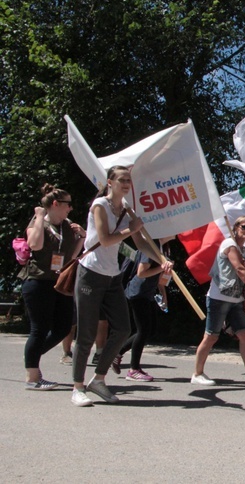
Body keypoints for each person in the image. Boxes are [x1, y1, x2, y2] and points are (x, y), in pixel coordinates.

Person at [71, 166, 157, 407]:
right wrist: (132, 228)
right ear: (110, 182)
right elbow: (106, 239)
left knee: (122, 329)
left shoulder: (127, 209)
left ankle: (98, 379)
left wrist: (162, 260)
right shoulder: (100, 205)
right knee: (86, 334)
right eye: (122, 180)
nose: (127, 183)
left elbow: (140, 244)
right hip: (90, 273)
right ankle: (78, 387)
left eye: (129, 180)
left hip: (112, 276)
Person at [192, 216, 245, 388]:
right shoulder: (229, 244)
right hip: (218, 298)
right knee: (211, 336)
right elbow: (240, 270)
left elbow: (243, 273)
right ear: (236, 227)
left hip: (236, 299)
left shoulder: (243, 250)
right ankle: (197, 374)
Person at [20, 184, 86, 390]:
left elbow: (72, 257)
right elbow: (35, 245)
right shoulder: (39, 222)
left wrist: (81, 237)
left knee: (63, 328)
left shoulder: (66, 226)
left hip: (59, 282)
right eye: (68, 204)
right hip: (38, 281)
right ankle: (32, 377)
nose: (70, 208)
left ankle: (33, 356)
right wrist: (39, 216)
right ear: (55, 204)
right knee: (39, 329)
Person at [111, 239, 174, 382]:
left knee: (150, 330)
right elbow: (141, 272)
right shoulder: (152, 245)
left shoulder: (164, 248)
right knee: (143, 330)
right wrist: (162, 267)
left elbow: (160, 275)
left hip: (147, 293)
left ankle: (117, 353)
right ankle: (133, 369)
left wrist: (163, 294)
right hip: (138, 293)